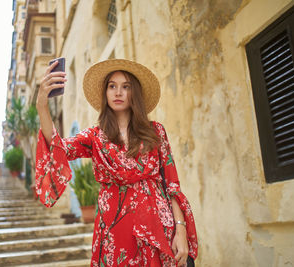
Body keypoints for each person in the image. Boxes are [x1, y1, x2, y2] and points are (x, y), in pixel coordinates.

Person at [35, 59, 198, 266]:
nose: (118, 92)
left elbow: (172, 185)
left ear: (134, 93)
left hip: (159, 228)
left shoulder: (156, 132)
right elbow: (57, 147)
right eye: (112, 86)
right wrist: (42, 105)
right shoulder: (94, 137)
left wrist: (180, 229)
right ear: (106, 93)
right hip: (114, 234)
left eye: (125, 87)